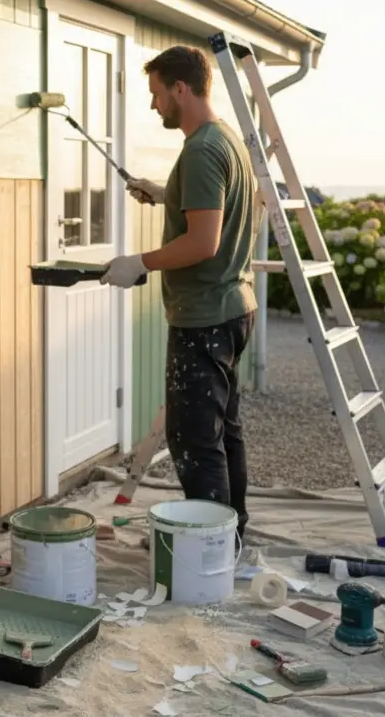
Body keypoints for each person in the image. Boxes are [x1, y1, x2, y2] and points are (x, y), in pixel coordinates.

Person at [99, 44, 262, 544]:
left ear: (181, 89)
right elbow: (225, 204)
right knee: (223, 432)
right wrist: (167, 192)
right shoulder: (226, 139)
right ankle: (232, 535)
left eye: (156, 94)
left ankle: (207, 548)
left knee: (193, 441)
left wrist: (137, 263)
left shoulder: (200, 149)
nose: (153, 106)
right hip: (235, 308)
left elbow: (203, 241)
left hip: (204, 318)